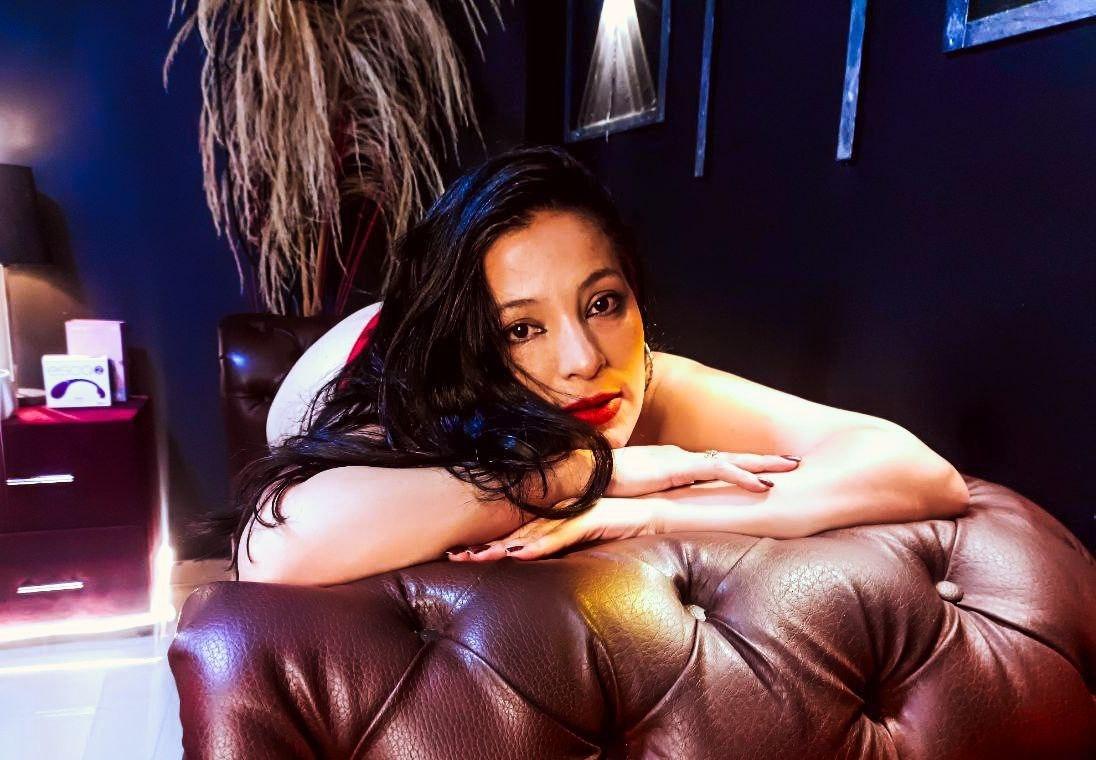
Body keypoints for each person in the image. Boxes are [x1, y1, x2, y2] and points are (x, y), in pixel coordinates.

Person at [225, 146, 969, 586]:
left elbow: (918, 471)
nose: (584, 360)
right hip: (358, 356)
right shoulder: (428, 394)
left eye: (603, 303)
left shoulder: (649, 378)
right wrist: (583, 474)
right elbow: (274, 549)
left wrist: (652, 509)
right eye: (522, 329)